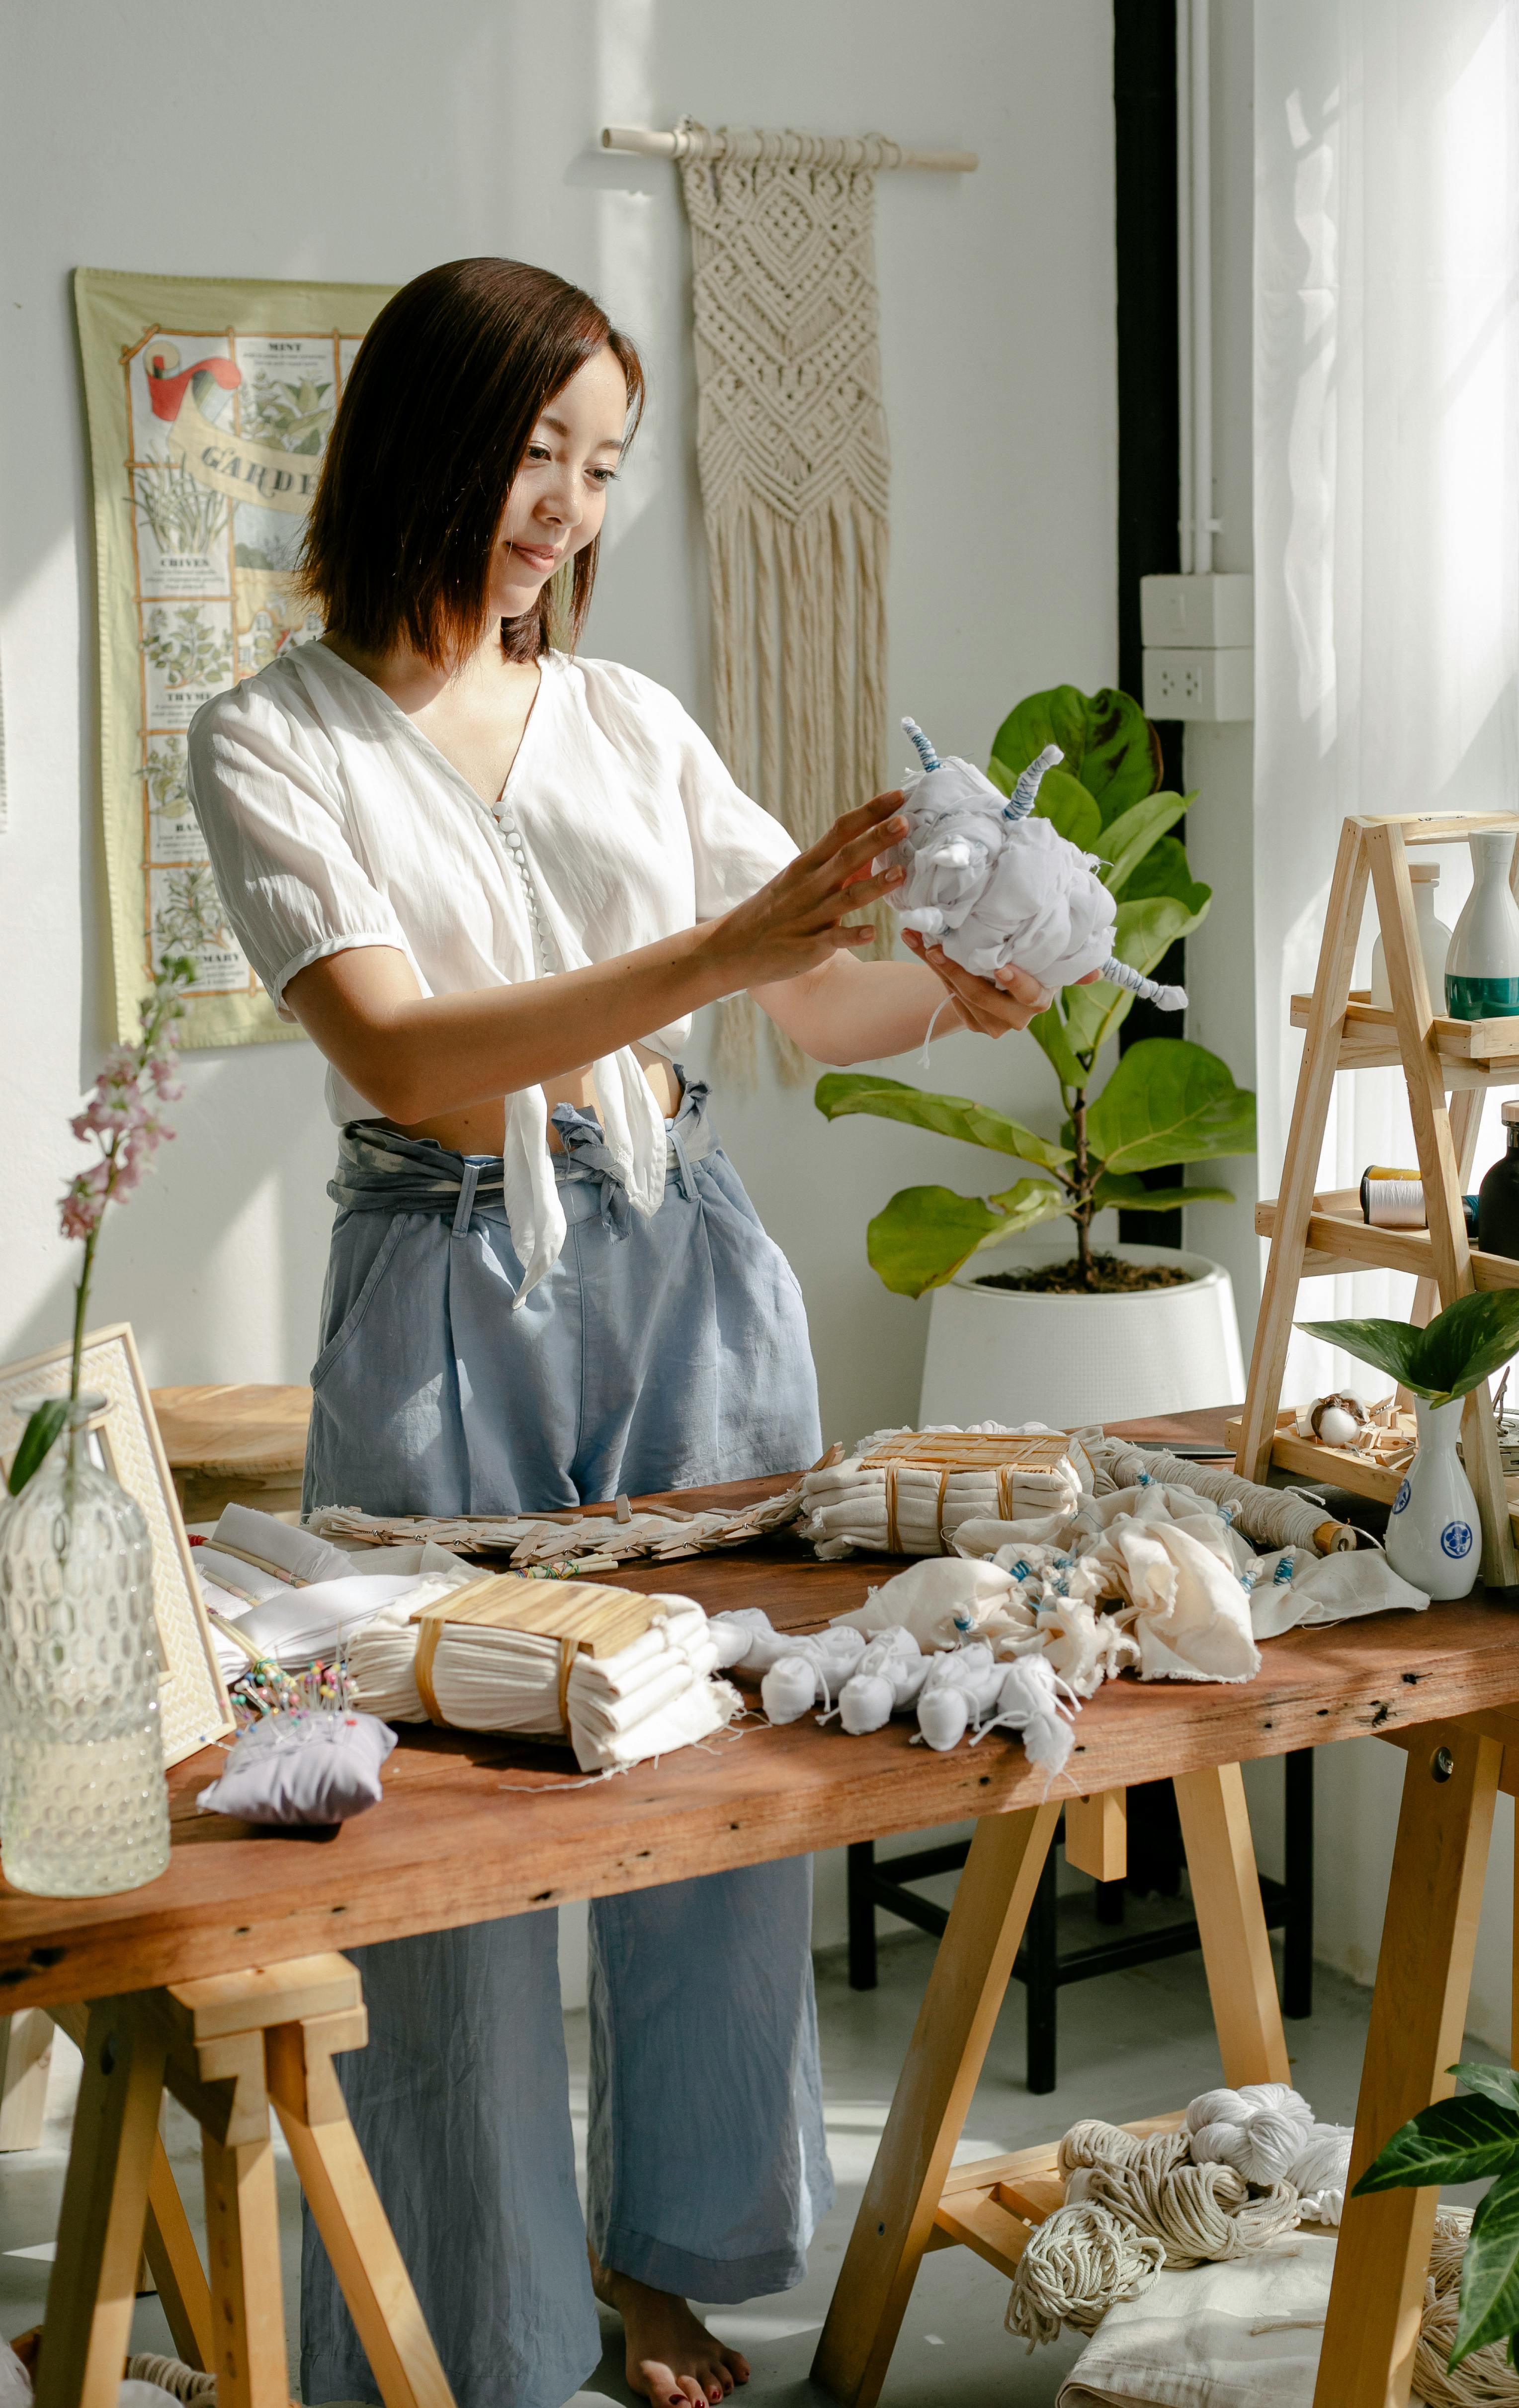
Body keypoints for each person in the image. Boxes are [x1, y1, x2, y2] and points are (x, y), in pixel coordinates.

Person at [188, 257, 1064, 2408]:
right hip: (442, 1283)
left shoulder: (633, 719)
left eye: (602, 466)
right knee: (454, 1833)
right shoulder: (269, 737)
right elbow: (404, 1055)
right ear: (420, 438)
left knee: (718, 1781)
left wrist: (946, 984)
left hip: (682, 1261)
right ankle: (477, 2319)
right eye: (535, 451)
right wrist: (722, 946)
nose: (569, 503)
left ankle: (660, 2258)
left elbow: (804, 995)